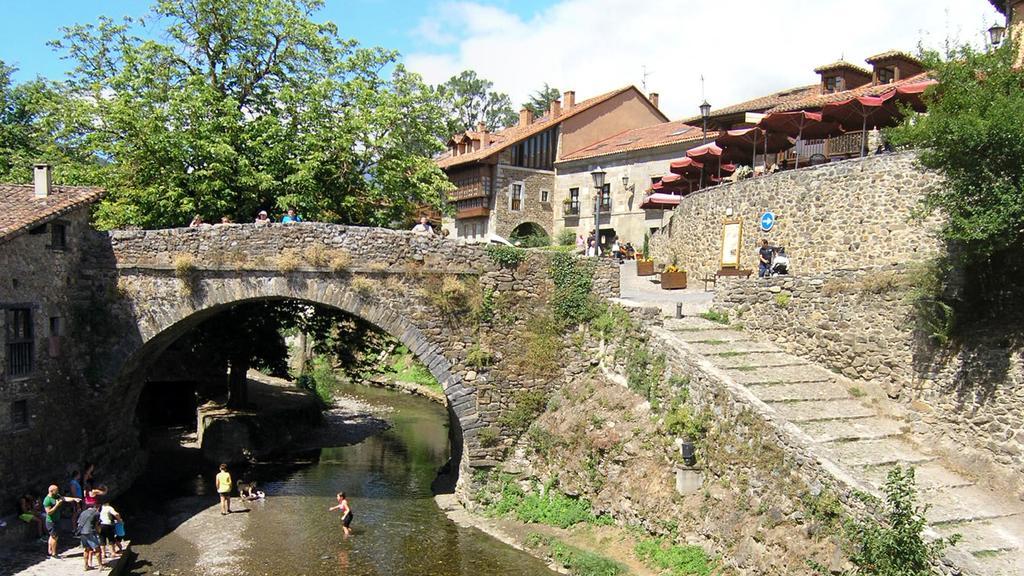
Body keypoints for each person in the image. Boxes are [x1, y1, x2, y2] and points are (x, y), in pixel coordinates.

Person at [43, 484, 80, 558]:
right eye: (56, 490)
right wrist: (57, 505)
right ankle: (54, 554)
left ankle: (49, 551)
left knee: (52, 536)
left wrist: (74, 499)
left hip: (56, 519)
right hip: (51, 521)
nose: (58, 492)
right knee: (55, 537)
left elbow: (64, 498)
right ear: (51, 491)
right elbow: (49, 512)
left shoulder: (56, 496)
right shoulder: (47, 500)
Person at [77, 500, 102, 570]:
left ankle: (86, 565)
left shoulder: (83, 513)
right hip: (91, 532)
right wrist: (99, 532)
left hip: (82, 533)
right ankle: (100, 565)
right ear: (96, 506)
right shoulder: (96, 513)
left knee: (86, 549)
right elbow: (97, 525)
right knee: (97, 549)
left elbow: (79, 523)